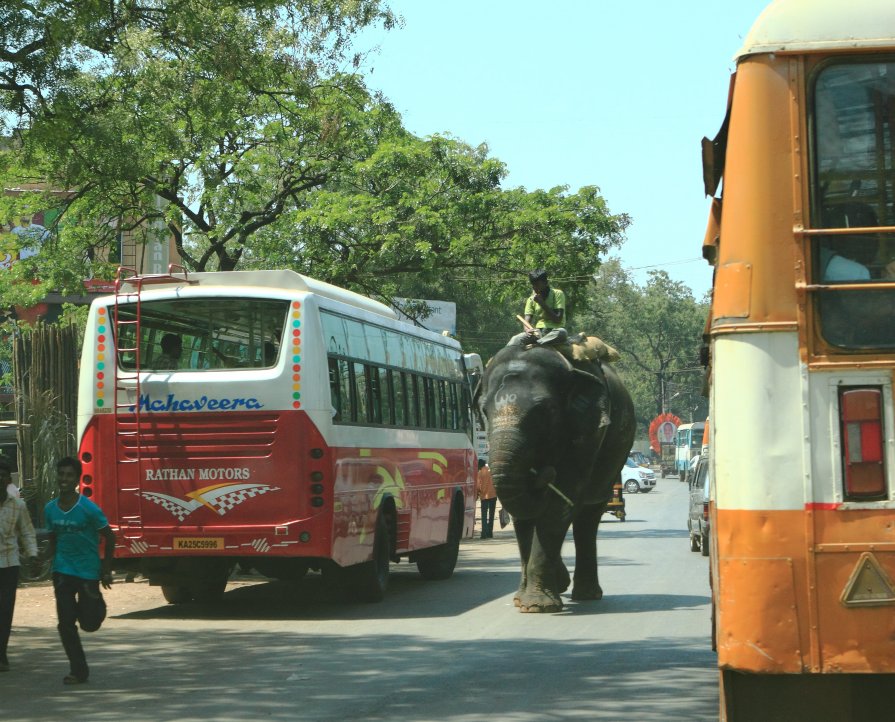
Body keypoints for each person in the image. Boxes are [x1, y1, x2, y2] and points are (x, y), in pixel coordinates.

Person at [44, 457, 116, 685]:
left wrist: (106, 570)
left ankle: (96, 604)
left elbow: (110, 536)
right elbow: (53, 541)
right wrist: (42, 559)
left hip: (87, 572)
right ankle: (78, 670)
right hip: (62, 571)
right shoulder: (50, 509)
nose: (63, 479)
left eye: (69, 475)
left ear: (76, 480)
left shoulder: (88, 508)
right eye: (61, 474)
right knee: (65, 623)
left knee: (89, 624)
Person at [0, 459, 37, 673]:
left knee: (5, 611)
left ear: (8, 480)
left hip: (9, 564)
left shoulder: (18, 505)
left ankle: (2, 653)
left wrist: (32, 555)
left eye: (3, 475)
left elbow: (26, 532)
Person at [476, 459, 497, 539]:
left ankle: (484, 533)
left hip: (484, 496)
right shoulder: (491, 471)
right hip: (493, 495)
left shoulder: (480, 472)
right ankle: (490, 533)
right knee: (491, 515)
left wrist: (477, 494)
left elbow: (478, 485)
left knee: (484, 516)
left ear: (479, 465)